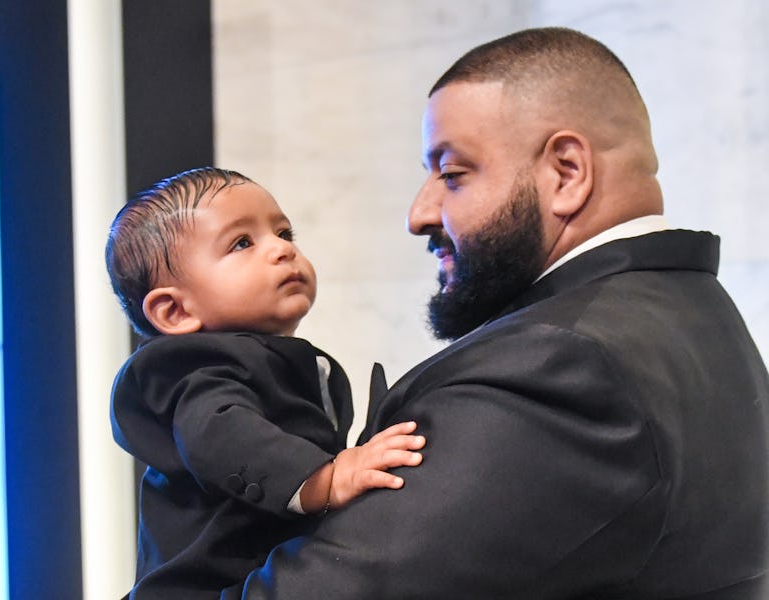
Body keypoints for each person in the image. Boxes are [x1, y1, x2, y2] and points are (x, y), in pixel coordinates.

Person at [242, 27, 769, 599]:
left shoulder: (558, 368)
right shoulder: (695, 311)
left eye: (452, 174)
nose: (420, 213)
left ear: (566, 173)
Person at [105, 166, 426, 599]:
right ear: (175, 312)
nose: (280, 250)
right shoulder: (193, 370)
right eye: (242, 243)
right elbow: (219, 432)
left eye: (284, 233)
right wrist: (325, 479)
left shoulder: (268, 358)